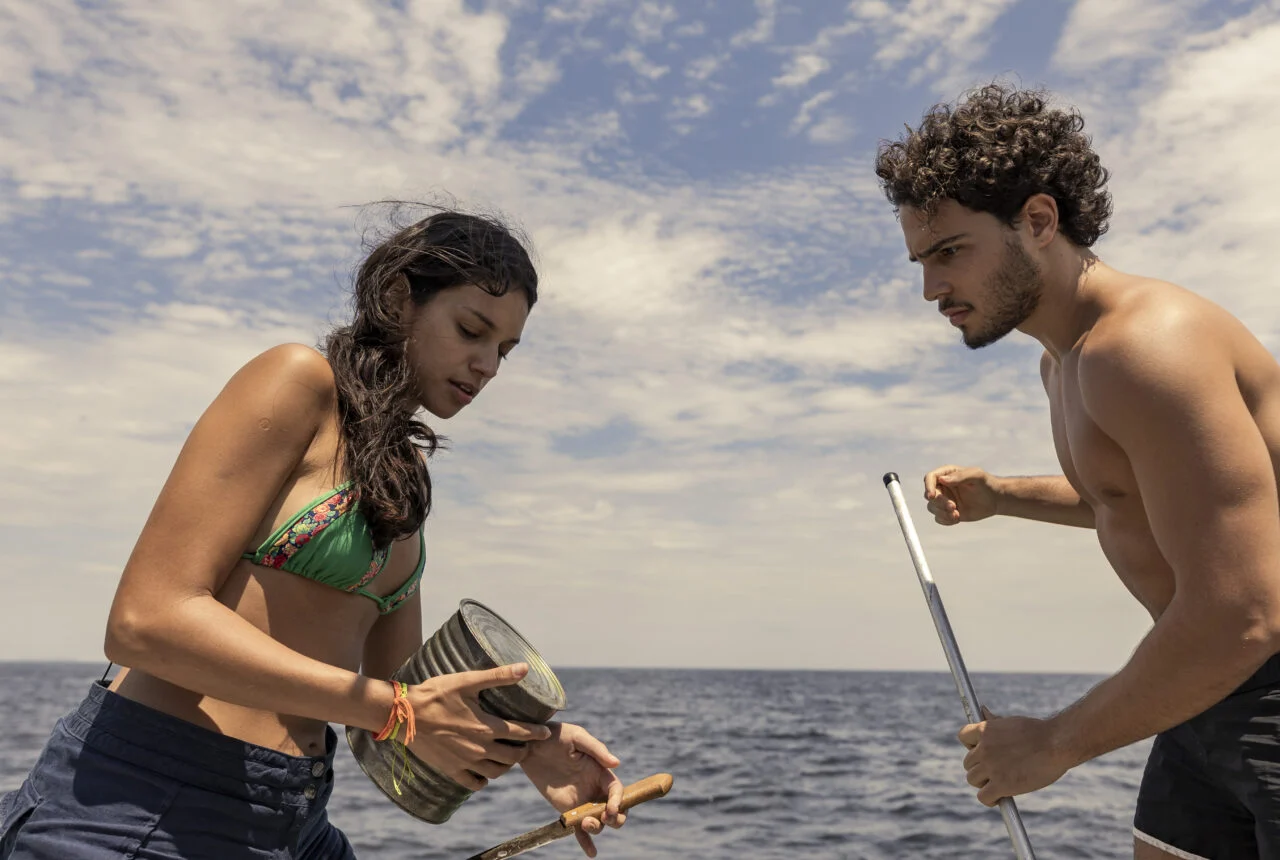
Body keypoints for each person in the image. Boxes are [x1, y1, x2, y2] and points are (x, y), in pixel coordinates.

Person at [0, 206, 627, 860]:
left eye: (504, 350)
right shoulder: (297, 383)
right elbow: (145, 621)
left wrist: (531, 747)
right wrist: (394, 708)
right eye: (472, 330)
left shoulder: (405, 478)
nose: (488, 365)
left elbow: (399, 716)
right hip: (146, 802)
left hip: (293, 821)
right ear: (397, 297)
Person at [875, 83, 1280, 858]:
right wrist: (1002, 495)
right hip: (1204, 686)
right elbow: (1141, 499)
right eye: (920, 261)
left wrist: (1054, 742)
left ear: (1037, 221)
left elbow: (1243, 610)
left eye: (949, 252)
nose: (930, 289)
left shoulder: (1147, 346)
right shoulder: (1065, 366)